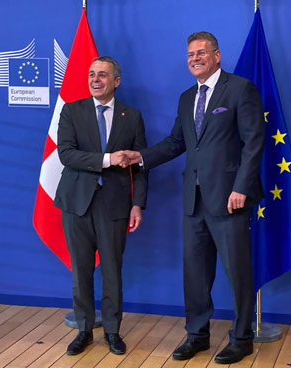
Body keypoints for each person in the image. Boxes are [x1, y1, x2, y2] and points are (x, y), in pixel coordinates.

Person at [122, 32, 264, 364]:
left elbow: (254, 142)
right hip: (194, 200)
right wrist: (139, 157)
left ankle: (242, 338)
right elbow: (176, 143)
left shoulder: (240, 89)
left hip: (230, 199)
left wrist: (241, 187)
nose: (195, 58)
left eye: (201, 52)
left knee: (238, 273)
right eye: (190, 54)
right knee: (195, 273)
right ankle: (197, 335)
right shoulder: (187, 97)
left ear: (217, 55)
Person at [53, 56, 147, 356]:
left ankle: (112, 331)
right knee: (80, 270)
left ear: (116, 81)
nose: (96, 79)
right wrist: (107, 160)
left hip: (115, 206)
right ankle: (83, 329)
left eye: (103, 75)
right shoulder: (72, 110)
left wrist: (138, 204)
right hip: (76, 203)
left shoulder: (131, 116)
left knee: (112, 271)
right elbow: (66, 154)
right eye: (92, 74)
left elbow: (141, 165)